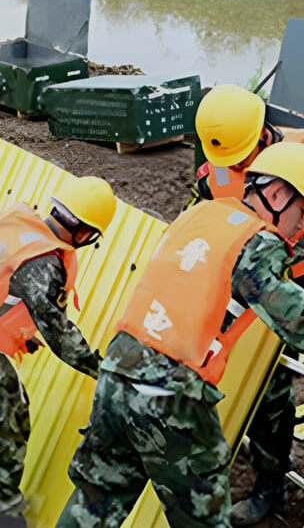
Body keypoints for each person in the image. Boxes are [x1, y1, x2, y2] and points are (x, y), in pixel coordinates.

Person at [57, 142, 304, 527]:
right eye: (302, 214)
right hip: (168, 398)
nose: (300, 229)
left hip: (117, 376)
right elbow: (294, 315)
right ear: (275, 195)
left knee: (94, 503)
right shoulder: (258, 240)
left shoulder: (200, 213)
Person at [0, 176, 117, 526]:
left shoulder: (20, 225)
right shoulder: (45, 260)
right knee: (10, 416)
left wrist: (18, 333)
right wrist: (99, 368)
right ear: (86, 234)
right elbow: (58, 331)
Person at [191, 84, 303, 525]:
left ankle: (272, 485)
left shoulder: (298, 157)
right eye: (229, 160)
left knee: (274, 393)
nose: (237, 166)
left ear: (262, 132)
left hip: (290, 295)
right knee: (263, 390)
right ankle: (271, 480)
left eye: (244, 154)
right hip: (243, 296)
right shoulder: (210, 173)